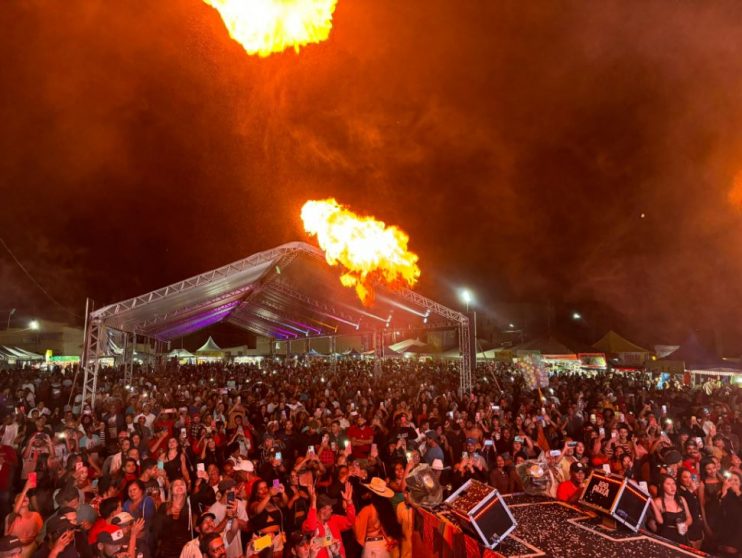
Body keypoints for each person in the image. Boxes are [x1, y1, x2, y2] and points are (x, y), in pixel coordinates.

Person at [301, 483, 354, 558]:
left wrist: (349, 502)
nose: (332, 510)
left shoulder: (333, 519)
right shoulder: (309, 523)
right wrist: (313, 502)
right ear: (322, 510)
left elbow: (350, 522)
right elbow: (311, 527)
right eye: (330, 508)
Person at [353, 478, 402, 558]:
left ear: (371, 493)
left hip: (371, 547)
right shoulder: (387, 508)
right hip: (383, 546)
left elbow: (358, 532)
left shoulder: (367, 510)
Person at [649, 475, 692, 546]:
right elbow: (654, 522)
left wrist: (686, 524)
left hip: (682, 537)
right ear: (661, 486)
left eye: (673, 483)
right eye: (668, 484)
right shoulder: (658, 502)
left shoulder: (681, 499)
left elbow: (689, 517)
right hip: (666, 539)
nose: (672, 487)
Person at [677, 468, 704, 549]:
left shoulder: (688, 490)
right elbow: (690, 506)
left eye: (689, 477)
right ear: (679, 478)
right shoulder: (680, 492)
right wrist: (691, 491)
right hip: (689, 526)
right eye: (685, 477)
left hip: (696, 524)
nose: (688, 480)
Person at [717, 471, 742, 556]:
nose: (734, 482)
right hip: (727, 529)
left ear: (740, 482)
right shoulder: (724, 494)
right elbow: (718, 510)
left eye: (736, 480)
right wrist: (724, 491)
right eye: (731, 480)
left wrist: (738, 492)